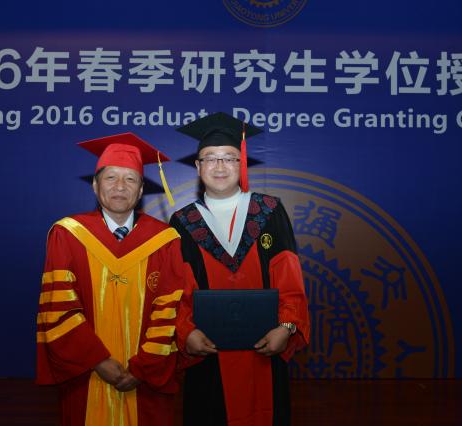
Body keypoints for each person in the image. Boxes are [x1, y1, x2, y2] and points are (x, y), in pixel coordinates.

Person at [169, 112, 311, 426]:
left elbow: (289, 278)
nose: (220, 166)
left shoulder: (269, 211)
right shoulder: (183, 222)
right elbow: (175, 288)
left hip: (264, 349)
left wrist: (286, 327)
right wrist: (186, 332)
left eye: (229, 158)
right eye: (210, 158)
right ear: (198, 167)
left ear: (241, 163)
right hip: (208, 354)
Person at [36, 133, 185, 426]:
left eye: (130, 179)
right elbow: (58, 307)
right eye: (111, 178)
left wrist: (143, 367)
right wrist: (97, 360)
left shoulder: (165, 240)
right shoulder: (68, 234)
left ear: (141, 190)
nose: (120, 186)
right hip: (86, 373)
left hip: (146, 379)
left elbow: (171, 309)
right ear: (95, 185)